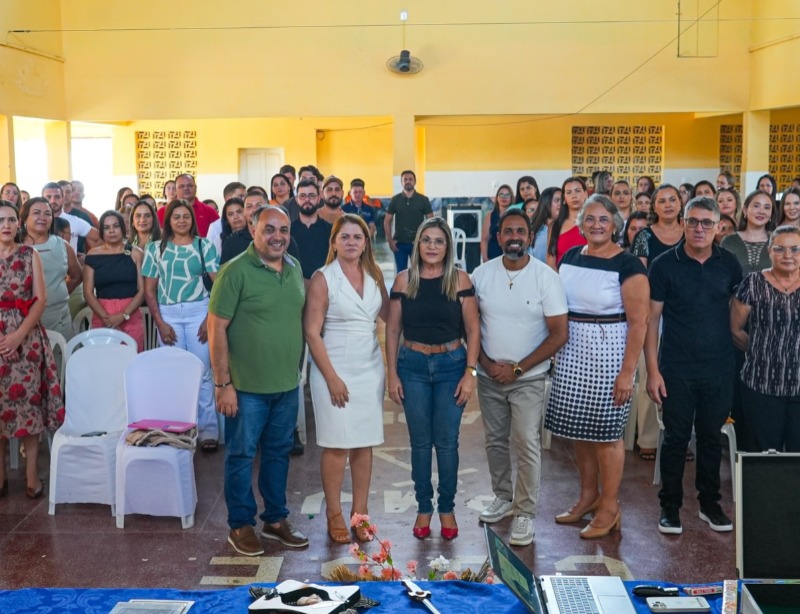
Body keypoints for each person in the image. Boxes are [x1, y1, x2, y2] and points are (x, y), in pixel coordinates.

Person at [545, 195, 649, 539]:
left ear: (615, 224)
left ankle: (609, 506)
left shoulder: (628, 265)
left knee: (607, 434)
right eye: (590, 219)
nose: (596, 225)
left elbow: (639, 322)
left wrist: (627, 373)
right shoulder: (571, 256)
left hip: (610, 354)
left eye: (604, 219)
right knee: (580, 430)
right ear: (580, 224)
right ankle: (588, 496)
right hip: (572, 351)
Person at [208, 205, 309, 556]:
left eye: (284, 230)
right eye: (269, 229)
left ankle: (275, 520)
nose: (277, 236)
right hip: (245, 388)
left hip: (286, 385)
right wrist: (223, 384)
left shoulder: (294, 268)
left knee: (278, 454)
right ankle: (240, 524)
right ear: (253, 230)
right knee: (241, 455)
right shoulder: (234, 271)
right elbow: (216, 328)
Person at [645, 196, 742, 535]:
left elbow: (737, 314)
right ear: (683, 222)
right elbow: (651, 320)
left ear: (718, 227)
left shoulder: (729, 264)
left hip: (719, 366)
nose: (699, 228)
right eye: (693, 221)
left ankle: (709, 504)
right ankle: (670, 507)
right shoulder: (663, 265)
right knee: (676, 438)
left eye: (707, 223)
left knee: (711, 438)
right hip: (676, 367)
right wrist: (653, 370)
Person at [472, 209, 568, 547]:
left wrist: (517, 368)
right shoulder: (481, 275)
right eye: (508, 231)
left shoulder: (546, 278)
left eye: (521, 232)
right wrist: (486, 364)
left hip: (528, 378)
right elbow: (470, 326)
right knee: (495, 441)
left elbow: (559, 334)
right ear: (499, 237)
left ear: (529, 237)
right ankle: (503, 497)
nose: (515, 237)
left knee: (526, 442)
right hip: (489, 376)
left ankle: (525, 512)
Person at [386, 217, 480, 541]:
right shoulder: (404, 280)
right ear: (418, 245)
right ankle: (424, 507)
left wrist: (470, 373)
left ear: (447, 246)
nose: (432, 246)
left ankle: (447, 508)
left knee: (447, 441)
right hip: (412, 365)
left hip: (451, 365)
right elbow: (393, 330)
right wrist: (391, 373)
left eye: (439, 241)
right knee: (420, 442)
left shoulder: (459, 279)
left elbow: (473, 330)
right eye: (426, 240)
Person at [303, 214, 388, 544]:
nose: (351, 242)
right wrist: (331, 378)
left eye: (358, 237)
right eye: (345, 236)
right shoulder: (323, 278)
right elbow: (312, 332)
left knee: (364, 443)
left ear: (366, 243)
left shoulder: (375, 275)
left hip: (370, 369)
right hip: (334, 367)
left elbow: (391, 317)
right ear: (334, 242)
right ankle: (334, 513)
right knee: (337, 444)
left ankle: (360, 513)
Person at [142, 199, 220, 450]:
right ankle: (179, 428)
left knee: (202, 371)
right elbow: (149, 290)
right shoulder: (155, 248)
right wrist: (160, 323)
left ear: (192, 219)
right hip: (168, 314)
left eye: (186, 216)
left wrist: (208, 318)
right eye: (176, 216)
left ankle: (208, 430)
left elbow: (218, 285)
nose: (182, 220)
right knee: (174, 372)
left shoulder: (204, 245)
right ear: (168, 221)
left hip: (199, 311)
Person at [0, 200, 64, 500]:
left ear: (19, 223)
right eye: (1, 220)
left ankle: (31, 475)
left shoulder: (30, 254)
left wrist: (18, 337)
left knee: (29, 407)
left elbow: (40, 299)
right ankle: (0, 476)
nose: (6, 225)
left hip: (27, 339)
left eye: (11, 220)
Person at [730, 226, 800, 452]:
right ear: (769, 251)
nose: (788, 255)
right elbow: (735, 330)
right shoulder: (753, 283)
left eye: (795, 249)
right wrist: (761, 351)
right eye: (780, 249)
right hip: (761, 383)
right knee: (762, 454)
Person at [20, 198, 82, 340]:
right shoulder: (14, 246)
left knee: (61, 353)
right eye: (36, 212)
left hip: (59, 317)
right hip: (22, 318)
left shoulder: (62, 245)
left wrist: (58, 293)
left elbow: (77, 276)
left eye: (47, 214)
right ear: (24, 218)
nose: (42, 217)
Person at [83, 211, 145, 351]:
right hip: (102, 313)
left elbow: (142, 291)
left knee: (132, 358)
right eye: (106, 227)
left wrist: (123, 315)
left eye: (116, 226)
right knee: (104, 359)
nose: (111, 231)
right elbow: (88, 293)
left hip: (130, 313)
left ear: (123, 228)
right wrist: (107, 318)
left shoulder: (136, 253)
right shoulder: (92, 255)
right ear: (101, 231)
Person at [384, 170, 433, 272]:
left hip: (418, 243)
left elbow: (431, 221)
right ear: (401, 182)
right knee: (401, 273)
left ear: (415, 182)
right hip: (399, 243)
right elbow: (387, 220)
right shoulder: (395, 200)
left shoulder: (423, 200)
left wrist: (428, 240)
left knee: (418, 272)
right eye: (405, 179)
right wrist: (390, 241)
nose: (408, 181)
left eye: (410, 179)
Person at [720, 190, 775, 276]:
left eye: (767, 208)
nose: (761, 211)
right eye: (756, 206)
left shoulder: (776, 242)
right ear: (745, 210)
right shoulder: (729, 241)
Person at [632, 184, 684, 269]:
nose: (668, 205)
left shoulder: (690, 234)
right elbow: (639, 273)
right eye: (662, 201)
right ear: (654, 207)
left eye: (672, 200)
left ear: (680, 203)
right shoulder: (643, 236)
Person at [291, 180, 332, 282]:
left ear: (318, 199)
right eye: (302, 196)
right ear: (296, 199)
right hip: (295, 284)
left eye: (311, 196)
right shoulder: (288, 231)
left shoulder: (330, 230)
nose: (307, 199)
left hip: (325, 284)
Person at [42, 182, 100, 253]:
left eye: (57, 197)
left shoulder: (75, 221)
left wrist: (89, 256)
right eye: (48, 197)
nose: (53, 201)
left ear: (63, 199)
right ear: (42, 199)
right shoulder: (36, 222)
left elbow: (100, 238)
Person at [547, 176, 588, 268]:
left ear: (586, 194)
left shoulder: (594, 223)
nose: (574, 196)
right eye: (569, 192)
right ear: (564, 198)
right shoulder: (556, 225)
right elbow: (550, 258)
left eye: (577, 191)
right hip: (560, 275)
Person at [481, 185, 514, 262]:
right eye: (501, 195)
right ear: (497, 198)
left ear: (511, 198)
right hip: (493, 256)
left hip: (511, 255)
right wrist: (485, 257)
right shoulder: (490, 216)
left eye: (507, 195)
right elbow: (484, 238)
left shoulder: (515, 215)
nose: (504, 197)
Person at [529, 187, 561, 263]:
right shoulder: (534, 228)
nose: (561, 204)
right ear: (546, 202)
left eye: (563, 201)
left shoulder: (566, 227)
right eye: (557, 200)